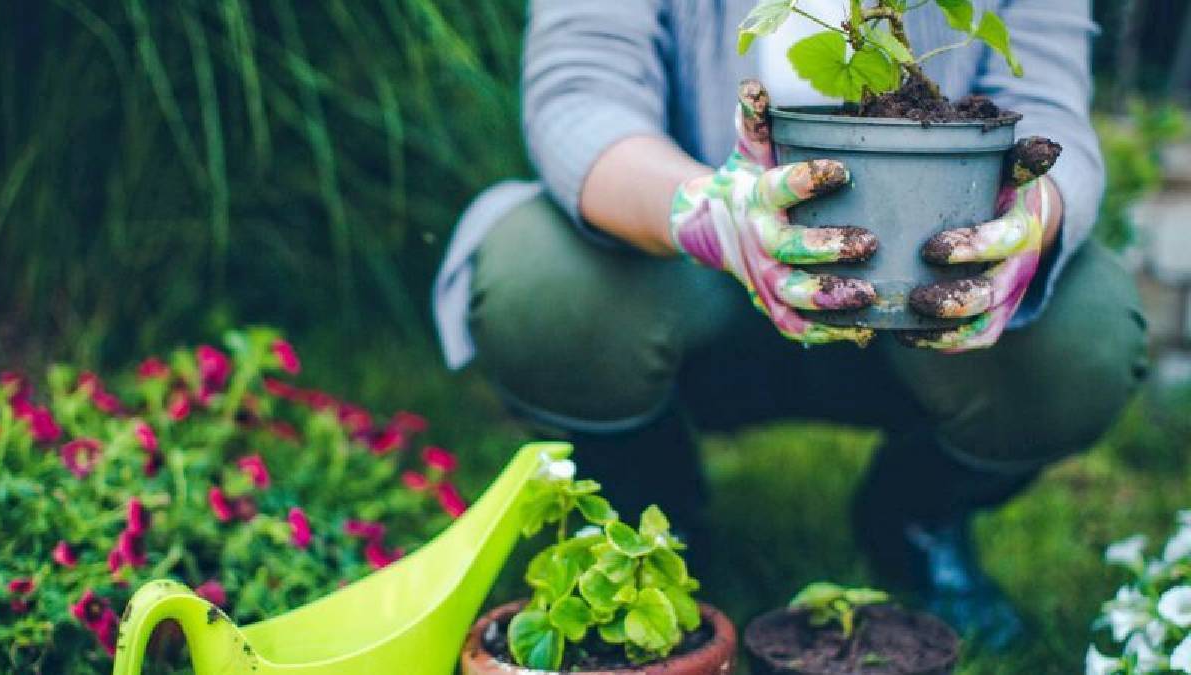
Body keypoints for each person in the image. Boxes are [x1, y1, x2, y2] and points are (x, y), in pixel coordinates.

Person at [432, 0, 1149, 649]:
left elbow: (1048, 107)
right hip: (682, 277)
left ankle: (916, 513)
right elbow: (581, 97)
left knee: (1084, 336)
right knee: (540, 284)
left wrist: (1034, 217)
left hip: (923, 283)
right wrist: (710, 213)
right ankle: (651, 500)